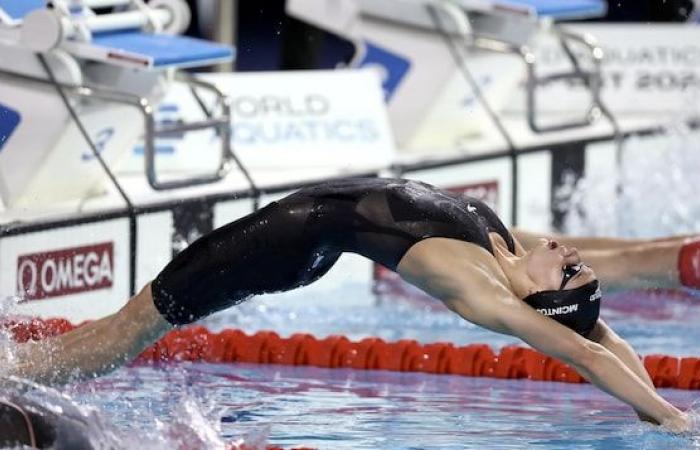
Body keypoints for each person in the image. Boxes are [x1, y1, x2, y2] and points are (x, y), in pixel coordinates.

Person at [4, 177, 694, 432]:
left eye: (570, 272)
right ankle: (17, 367)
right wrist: (653, 398)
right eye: (579, 266)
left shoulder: (481, 288)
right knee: (113, 334)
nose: (575, 258)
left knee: (123, 336)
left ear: (540, 298)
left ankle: (12, 379)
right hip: (304, 241)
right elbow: (596, 331)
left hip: (274, 246)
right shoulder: (508, 248)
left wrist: (666, 416)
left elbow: (574, 345)